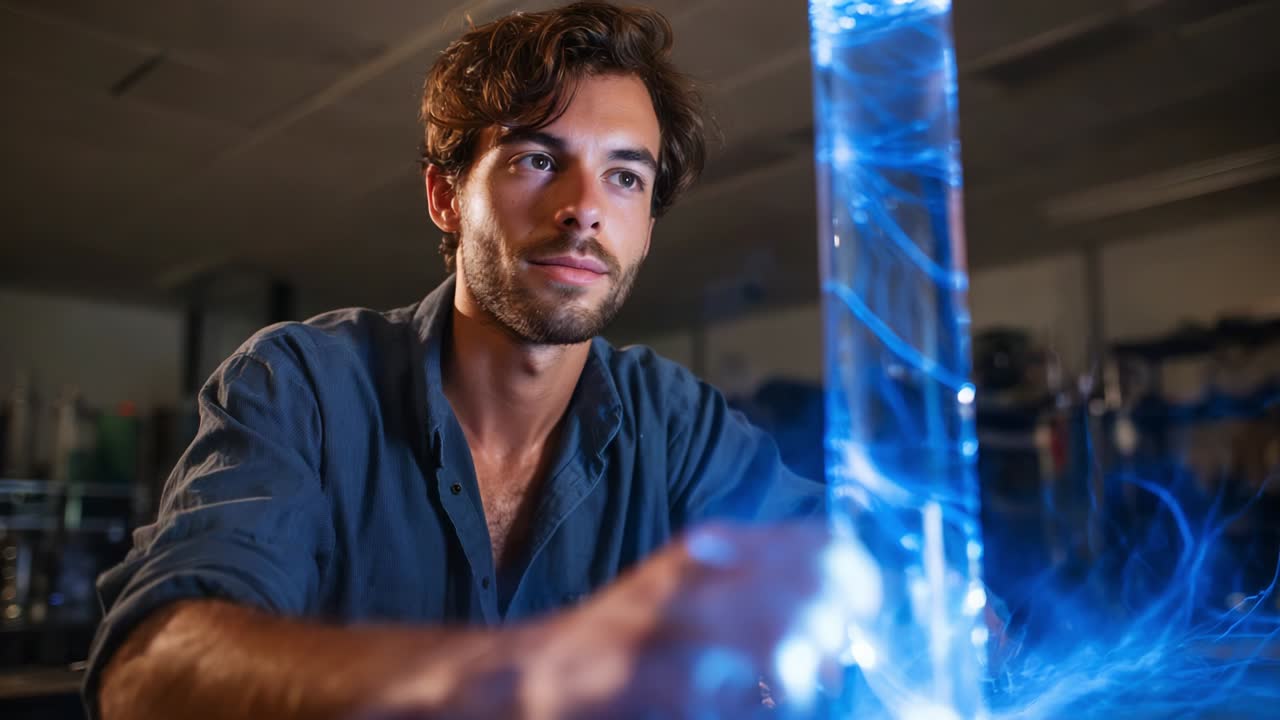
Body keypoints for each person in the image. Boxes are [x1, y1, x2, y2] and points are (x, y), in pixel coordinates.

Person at [88, 3, 829, 718]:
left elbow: (853, 577)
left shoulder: (679, 427)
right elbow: (148, 671)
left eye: (625, 176)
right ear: (446, 196)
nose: (585, 208)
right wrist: (519, 678)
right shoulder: (302, 387)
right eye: (539, 159)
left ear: (645, 227)